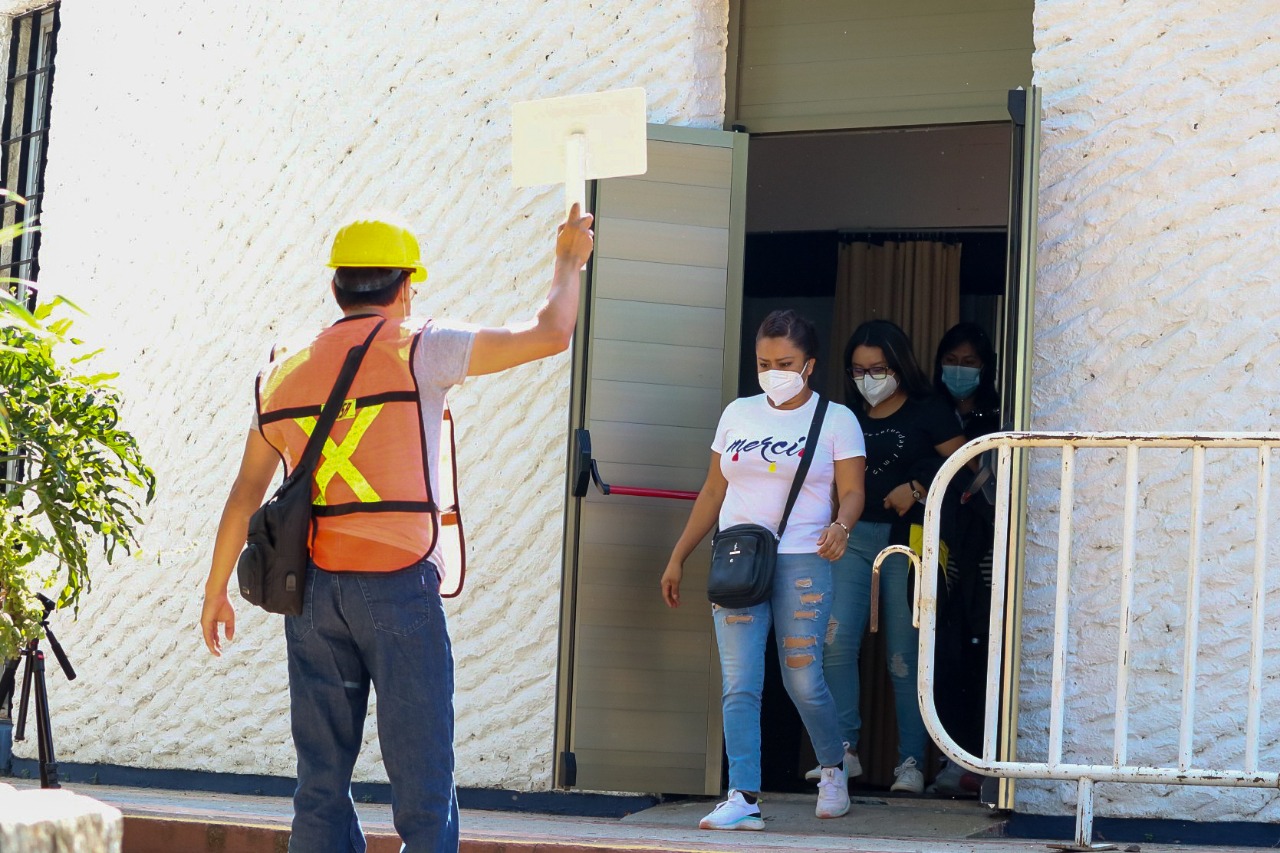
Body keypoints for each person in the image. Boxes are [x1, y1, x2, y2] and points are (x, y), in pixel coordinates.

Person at [200, 207, 594, 853]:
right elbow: (551, 331)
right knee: (422, 778)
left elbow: (246, 489)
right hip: (397, 585)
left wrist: (215, 588)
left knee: (321, 778)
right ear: (406, 284)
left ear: (336, 287)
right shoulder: (422, 346)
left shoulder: (280, 367)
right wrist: (568, 259)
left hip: (311, 592)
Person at [661, 309, 867, 830]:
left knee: (802, 678)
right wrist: (678, 554)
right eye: (763, 362)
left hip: (803, 558)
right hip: (738, 557)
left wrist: (841, 525)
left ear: (810, 364)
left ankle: (832, 767)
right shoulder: (737, 413)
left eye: (785, 362)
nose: (773, 371)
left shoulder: (837, 419)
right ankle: (744, 796)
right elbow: (713, 490)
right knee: (740, 683)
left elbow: (853, 491)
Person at [810, 319, 966, 795]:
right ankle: (843, 753)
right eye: (858, 370)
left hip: (907, 539)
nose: (868, 379)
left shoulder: (929, 409)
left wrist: (917, 488)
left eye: (877, 368)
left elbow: (968, 464)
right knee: (835, 643)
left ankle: (912, 764)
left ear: (899, 365)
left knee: (905, 655)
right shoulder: (844, 414)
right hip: (852, 537)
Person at [930, 322, 1001, 797]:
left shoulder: (998, 417)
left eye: (970, 362)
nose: (960, 369)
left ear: (986, 368)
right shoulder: (929, 415)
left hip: (986, 554)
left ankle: (980, 765)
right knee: (942, 658)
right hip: (938, 550)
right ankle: (948, 762)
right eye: (952, 360)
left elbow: (999, 490)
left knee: (982, 658)